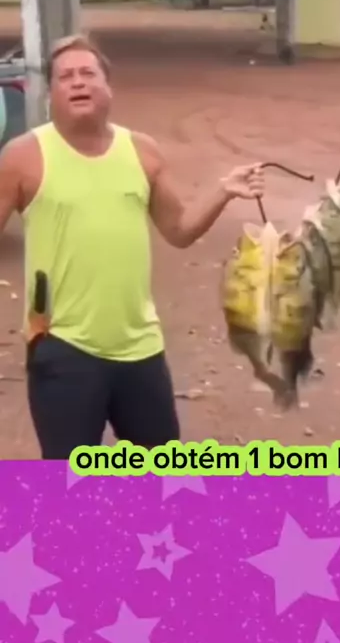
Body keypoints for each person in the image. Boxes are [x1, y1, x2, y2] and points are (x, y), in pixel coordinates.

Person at [0, 34, 266, 460]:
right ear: (50, 93)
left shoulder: (142, 152)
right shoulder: (23, 157)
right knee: (67, 487)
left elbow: (179, 230)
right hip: (63, 348)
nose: (78, 82)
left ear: (108, 86)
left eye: (88, 73)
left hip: (140, 349)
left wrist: (224, 190)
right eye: (65, 77)